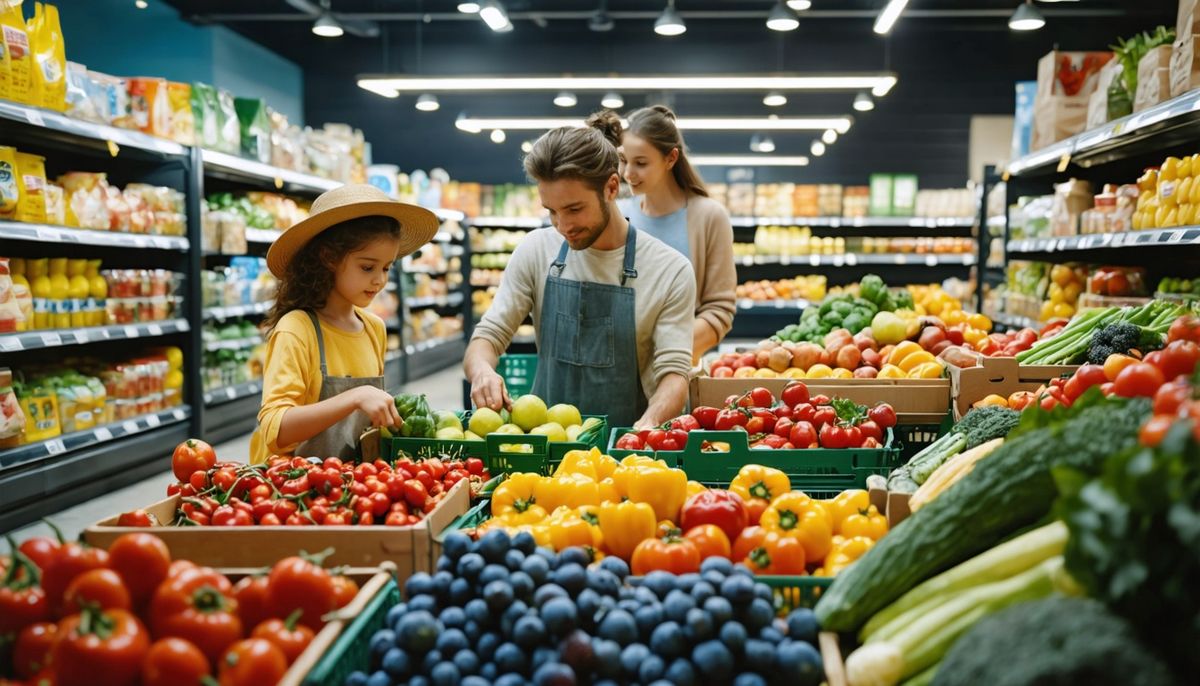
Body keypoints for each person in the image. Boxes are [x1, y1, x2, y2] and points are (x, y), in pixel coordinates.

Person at [464, 116, 696, 429]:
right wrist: (482, 373)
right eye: (551, 211)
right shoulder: (536, 249)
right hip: (544, 448)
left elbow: (674, 374)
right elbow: (488, 337)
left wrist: (648, 425)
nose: (562, 225)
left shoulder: (670, 270)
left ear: (611, 187)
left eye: (574, 209)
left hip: (627, 450)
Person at [249, 184, 438, 464]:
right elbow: (276, 429)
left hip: (346, 482)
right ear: (328, 258)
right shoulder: (297, 330)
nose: (380, 280)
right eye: (367, 267)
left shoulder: (374, 329)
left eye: (387, 268)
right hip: (288, 487)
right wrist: (355, 397)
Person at [614, 105, 737, 362]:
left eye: (641, 163)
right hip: (615, 370)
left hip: (678, 371)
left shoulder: (709, 217)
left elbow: (719, 311)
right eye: (624, 160)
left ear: (671, 158)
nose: (627, 173)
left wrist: (665, 354)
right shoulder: (617, 214)